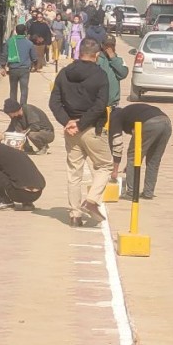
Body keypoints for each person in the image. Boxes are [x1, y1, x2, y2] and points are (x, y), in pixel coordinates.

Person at [49, 38, 111, 228]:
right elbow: (101, 104)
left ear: (78, 52)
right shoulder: (101, 75)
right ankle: (91, 200)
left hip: (71, 130)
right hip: (92, 129)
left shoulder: (64, 72)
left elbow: (54, 102)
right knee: (105, 166)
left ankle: (75, 214)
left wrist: (68, 122)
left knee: (74, 172)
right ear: (97, 55)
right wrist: (82, 124)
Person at [109, 103, 172, 200]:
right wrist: (129, 166)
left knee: (132, 156)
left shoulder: (115, 117)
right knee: (154, 160)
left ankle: (131, 193)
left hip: (150, 123)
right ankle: (148, 192)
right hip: (166, 122)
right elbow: (140, 145)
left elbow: (117, 144)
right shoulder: (131, 112)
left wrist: (115, 170)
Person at [0, 24, 39, 105]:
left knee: (13, 89)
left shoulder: (10, 42)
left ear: (16, 32)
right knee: (24, 89)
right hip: (24, 70)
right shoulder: (29, 43)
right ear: (25, 32)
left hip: (13, 69)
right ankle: (23, 107)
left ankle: (14, 107)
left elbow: (4, 55)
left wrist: (3, 67)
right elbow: (34, 57)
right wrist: (35, 65)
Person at [96, 34, 129, 107]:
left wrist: (113, 59)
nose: (109, 48)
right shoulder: (97, 58)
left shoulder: (119, 59)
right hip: (97, 103)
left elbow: (123, 74)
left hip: (112, 104)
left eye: (112, 45)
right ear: (102, 45)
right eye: (107, 45)